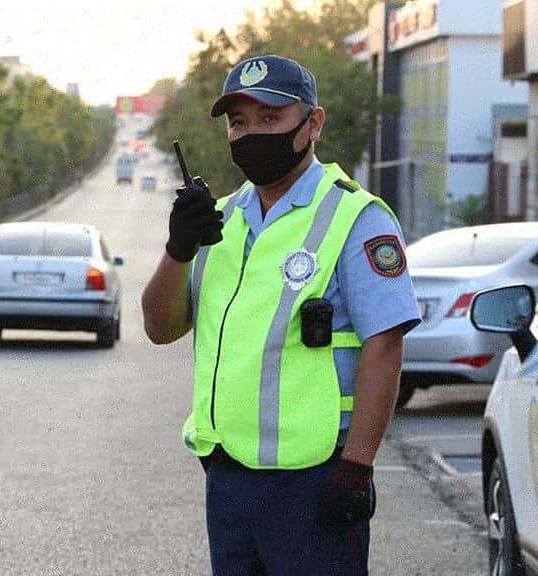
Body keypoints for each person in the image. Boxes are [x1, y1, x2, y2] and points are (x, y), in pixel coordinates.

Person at [141, 55, 421, 575]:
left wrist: (356, 468)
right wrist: (179, 248)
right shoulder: (218, 220)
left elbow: (386, 347)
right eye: (239, 123)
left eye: (271, 119)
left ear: (313, 123)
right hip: (228, 477)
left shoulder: (356, 218)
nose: (252, 135)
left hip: (317, 480)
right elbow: (160, 329)